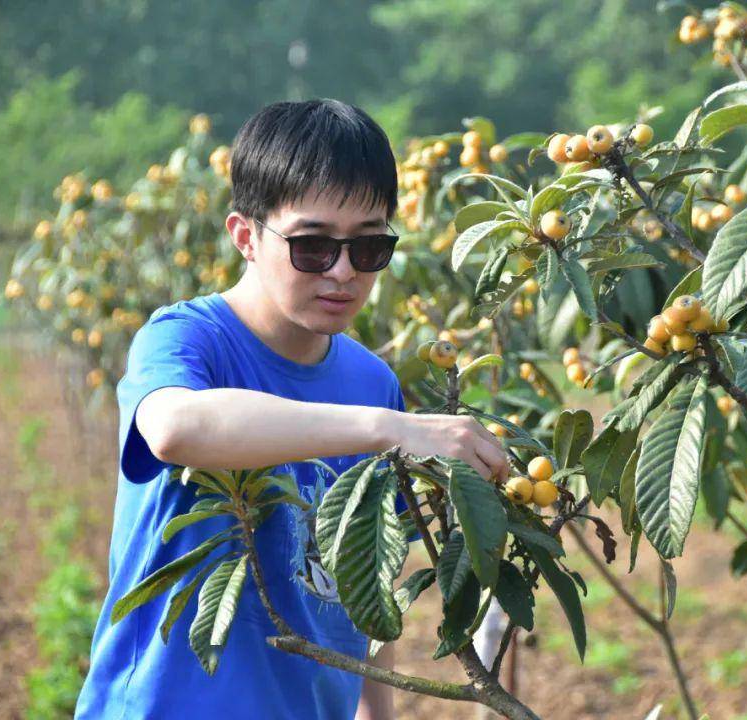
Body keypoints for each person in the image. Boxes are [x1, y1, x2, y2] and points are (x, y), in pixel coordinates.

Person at [75, 99, 511, 720]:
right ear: (246, 237)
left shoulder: (371, 381)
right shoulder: (185, 341)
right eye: (311, 246)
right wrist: (390, 428)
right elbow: (174, 427)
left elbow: (367, 573)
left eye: (369, 248)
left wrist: (375, 713)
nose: (342, 273)